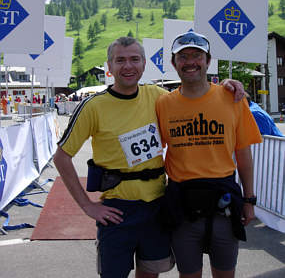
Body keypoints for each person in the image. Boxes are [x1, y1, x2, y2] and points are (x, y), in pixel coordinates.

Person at [53, 36, 245, 278]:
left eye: (134, 59)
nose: (128, 66)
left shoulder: (158, 97)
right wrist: (87, 206)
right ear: (109, 67)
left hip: (156, 206)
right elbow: (61, 157)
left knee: (150, 273)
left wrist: (228, 85)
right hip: (117, 210)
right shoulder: (93, 106)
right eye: (119, 60)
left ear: (144, 64)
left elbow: (194, 95)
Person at [155, 31, 263, 278]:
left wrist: (249, 201)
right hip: (182, 206)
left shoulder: (232, 98)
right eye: (183, 57)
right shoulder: (163, 104)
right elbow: (153, 151)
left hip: (222, 204)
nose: (190, 61)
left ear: (208, 60)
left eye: (196, 55)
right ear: (174, 63)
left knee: (225, 274)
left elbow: (244, 154)